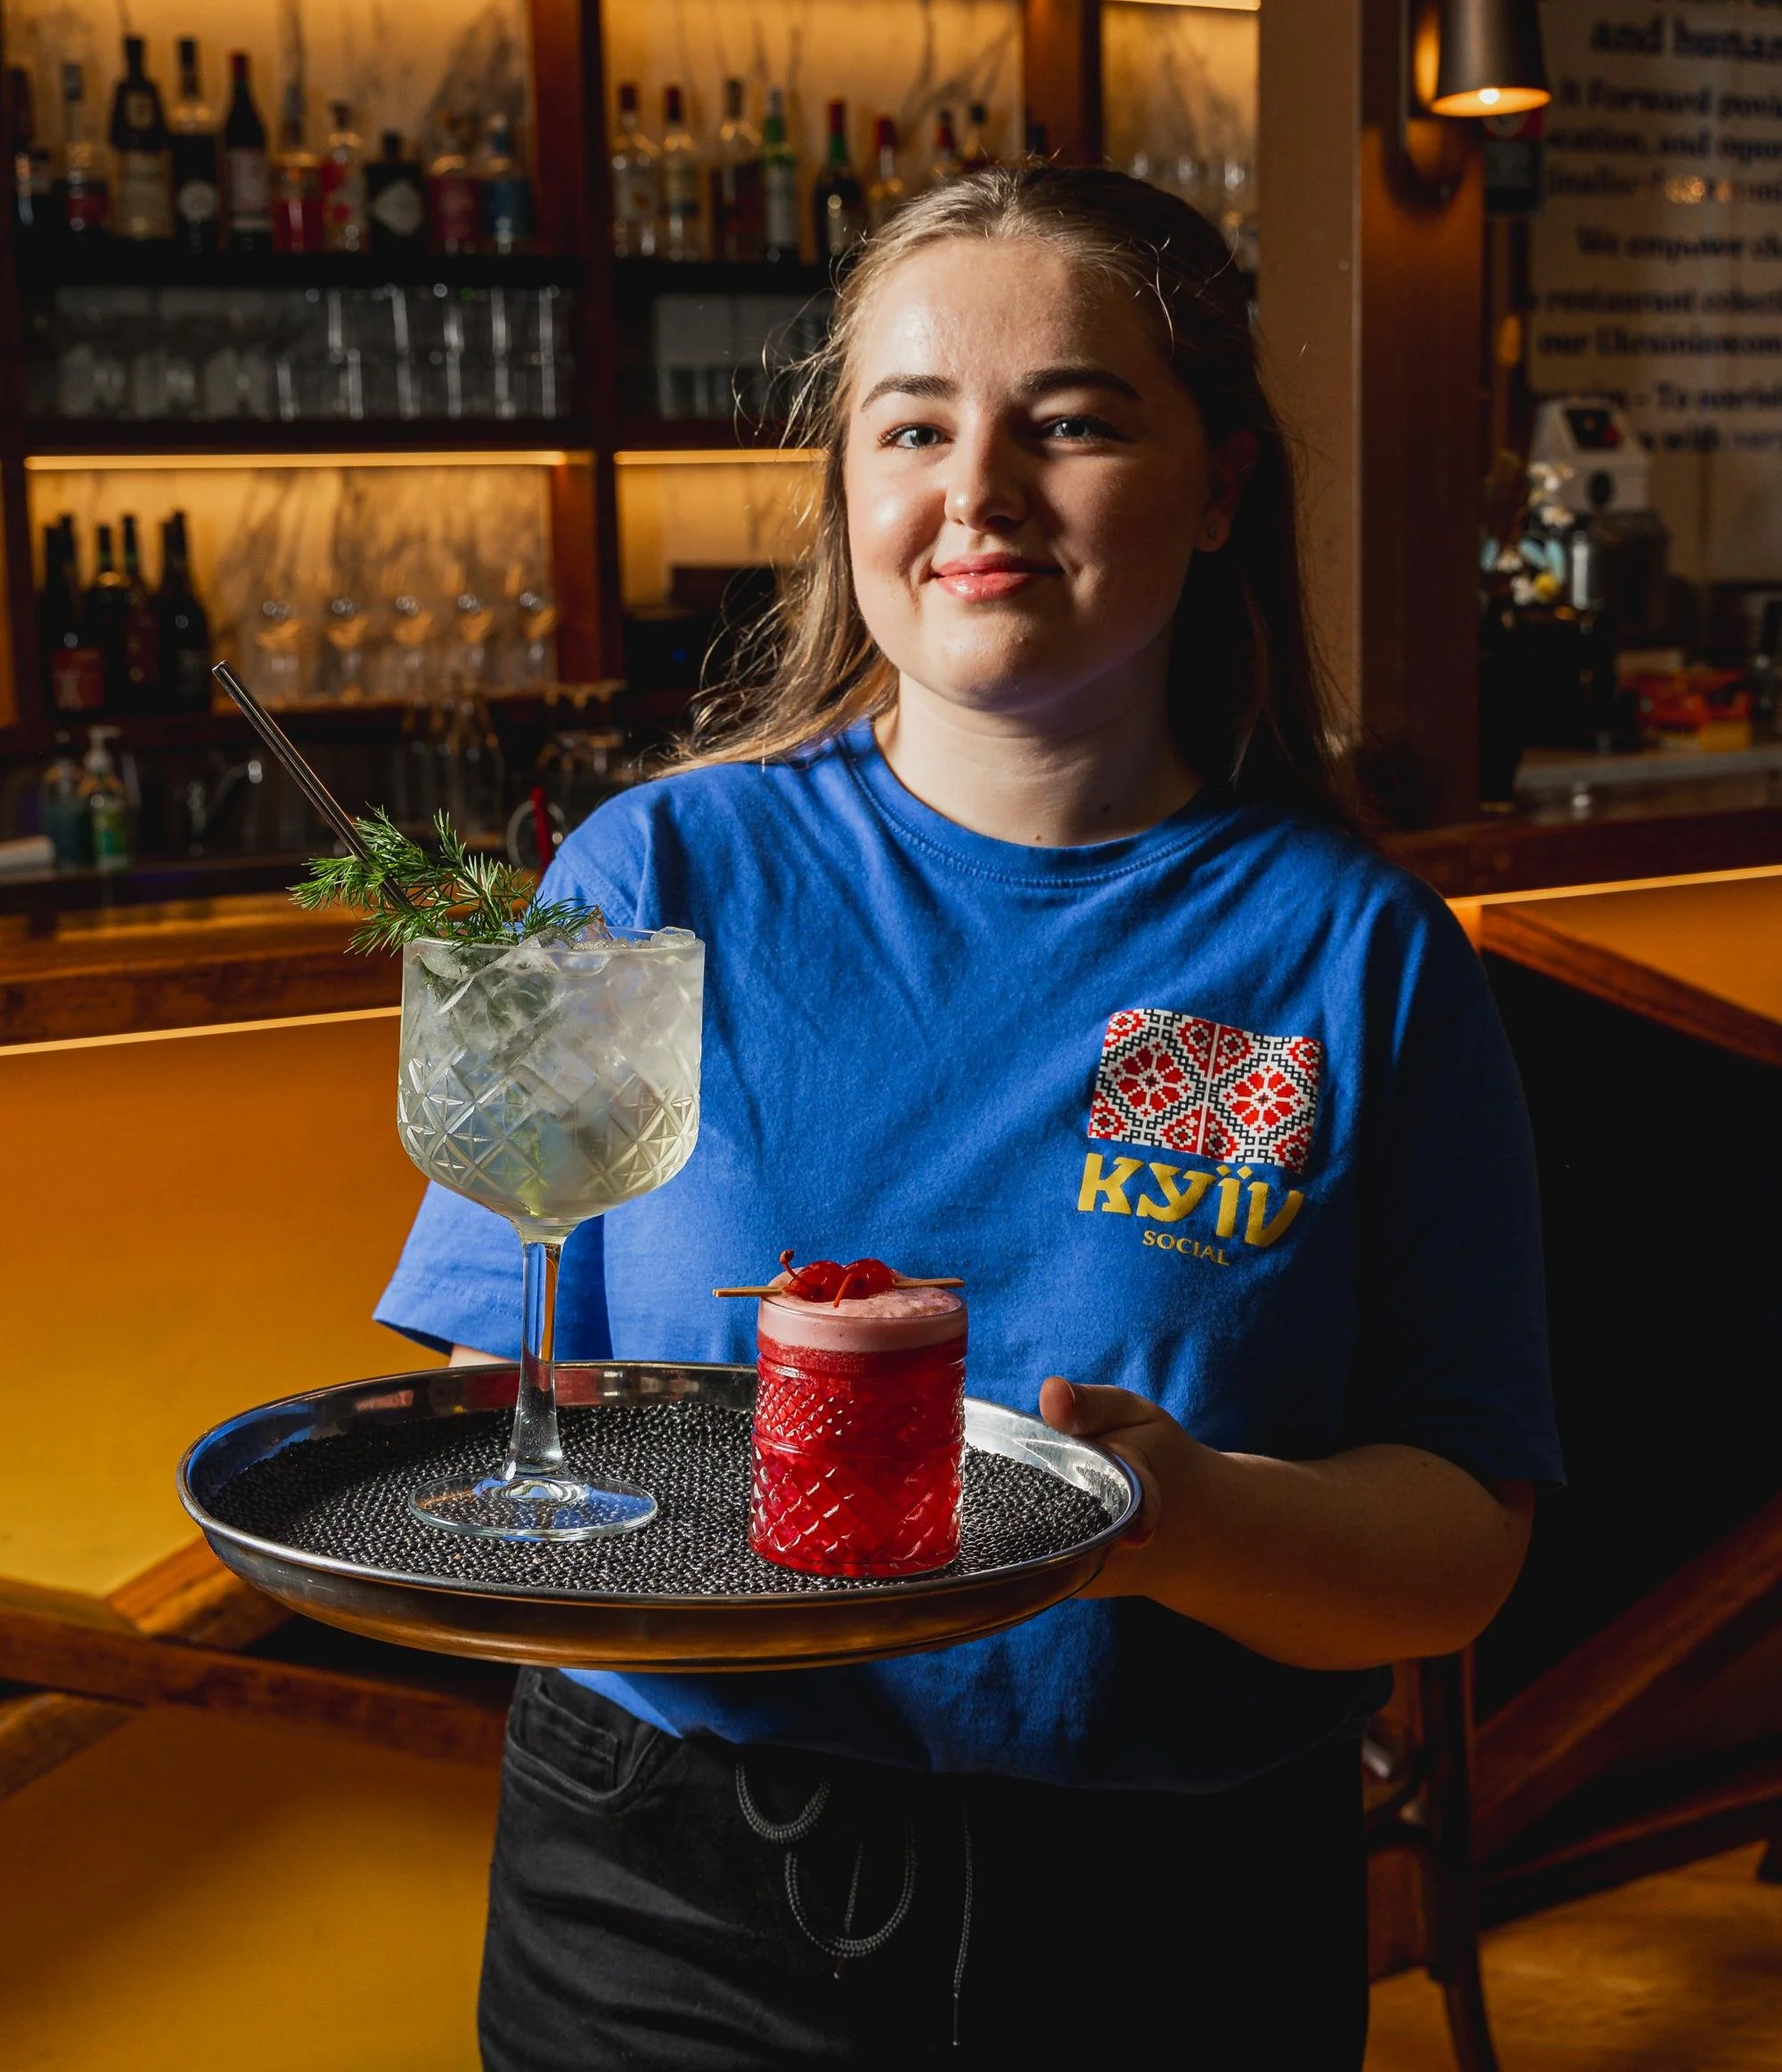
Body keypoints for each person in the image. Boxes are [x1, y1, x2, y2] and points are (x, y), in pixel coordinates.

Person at [378, 165, 1561, 2070]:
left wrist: (1190, 1522)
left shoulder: (1355, 953)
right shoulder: (648, 875)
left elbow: (1463, 1533)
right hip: (664, 1886)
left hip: (1173, 1918)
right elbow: (494, 1383)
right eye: (914, 427)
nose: (978, 492)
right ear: (849, 487)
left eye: (1070, 422)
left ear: (1222, 485)